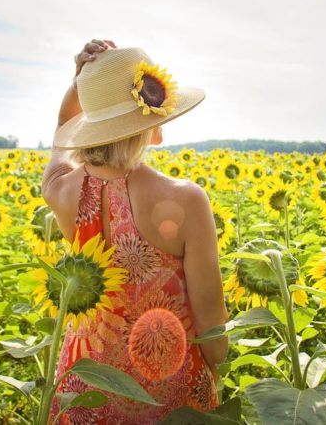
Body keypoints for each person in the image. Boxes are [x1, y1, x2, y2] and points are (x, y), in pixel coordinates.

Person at [41, 39, 229, 423]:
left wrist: (81, 85)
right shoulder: (186, 199)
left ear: (89, 125)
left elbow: (61, 135)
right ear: (152, 125)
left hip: (85, 388)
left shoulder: (62, 191)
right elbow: (211, 317)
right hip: (169, 388)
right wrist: (216, 375)